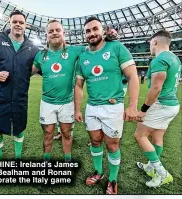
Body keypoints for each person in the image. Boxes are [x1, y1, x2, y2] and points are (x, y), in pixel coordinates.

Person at [32, 19, 118, 162]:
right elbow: (27, 72)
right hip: (47, 102)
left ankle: (67, 160)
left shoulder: (75, 50)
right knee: (47, 134)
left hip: (67, 102)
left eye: (57, 30)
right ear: (46, 34)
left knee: (67, 134)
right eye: (51, 31)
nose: (54, 33)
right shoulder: (41, 55)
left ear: (63, 33)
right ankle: (46, 161)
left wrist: (107, 37)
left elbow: (95, 46)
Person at [74, 16, 139, 194]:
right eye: (88, 31)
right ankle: (98, 172)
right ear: (84, 34)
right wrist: (77, 109)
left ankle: (113, 179)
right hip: (92, 108)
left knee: (112, 145)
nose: (92, 33)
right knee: (95, 141)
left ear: (103, 31)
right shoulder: (83, 57)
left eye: (95, 29)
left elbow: (133, 76)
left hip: (113, 107)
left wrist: (132, 106)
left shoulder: (117, 47)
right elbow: (79, 85)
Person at [0, 10, 39, 160]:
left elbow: (40, 67)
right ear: (10, 23)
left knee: (19, 129)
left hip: (20, 97)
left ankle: (17, 158)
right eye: (15, 22)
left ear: (26, 25)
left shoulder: (32, 48)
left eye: (21, 22)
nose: (18, 25)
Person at [134, 30, 181, 188]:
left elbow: (156, 88)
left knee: (140, 136)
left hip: (161, 105)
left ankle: (162, 174)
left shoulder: (159, 59)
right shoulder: (175, 59)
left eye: (149, 43)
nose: (149, 46)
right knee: (157, 137)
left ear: (155, 42)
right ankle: (150, 167)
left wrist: (143, 109)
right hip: (172, 105)